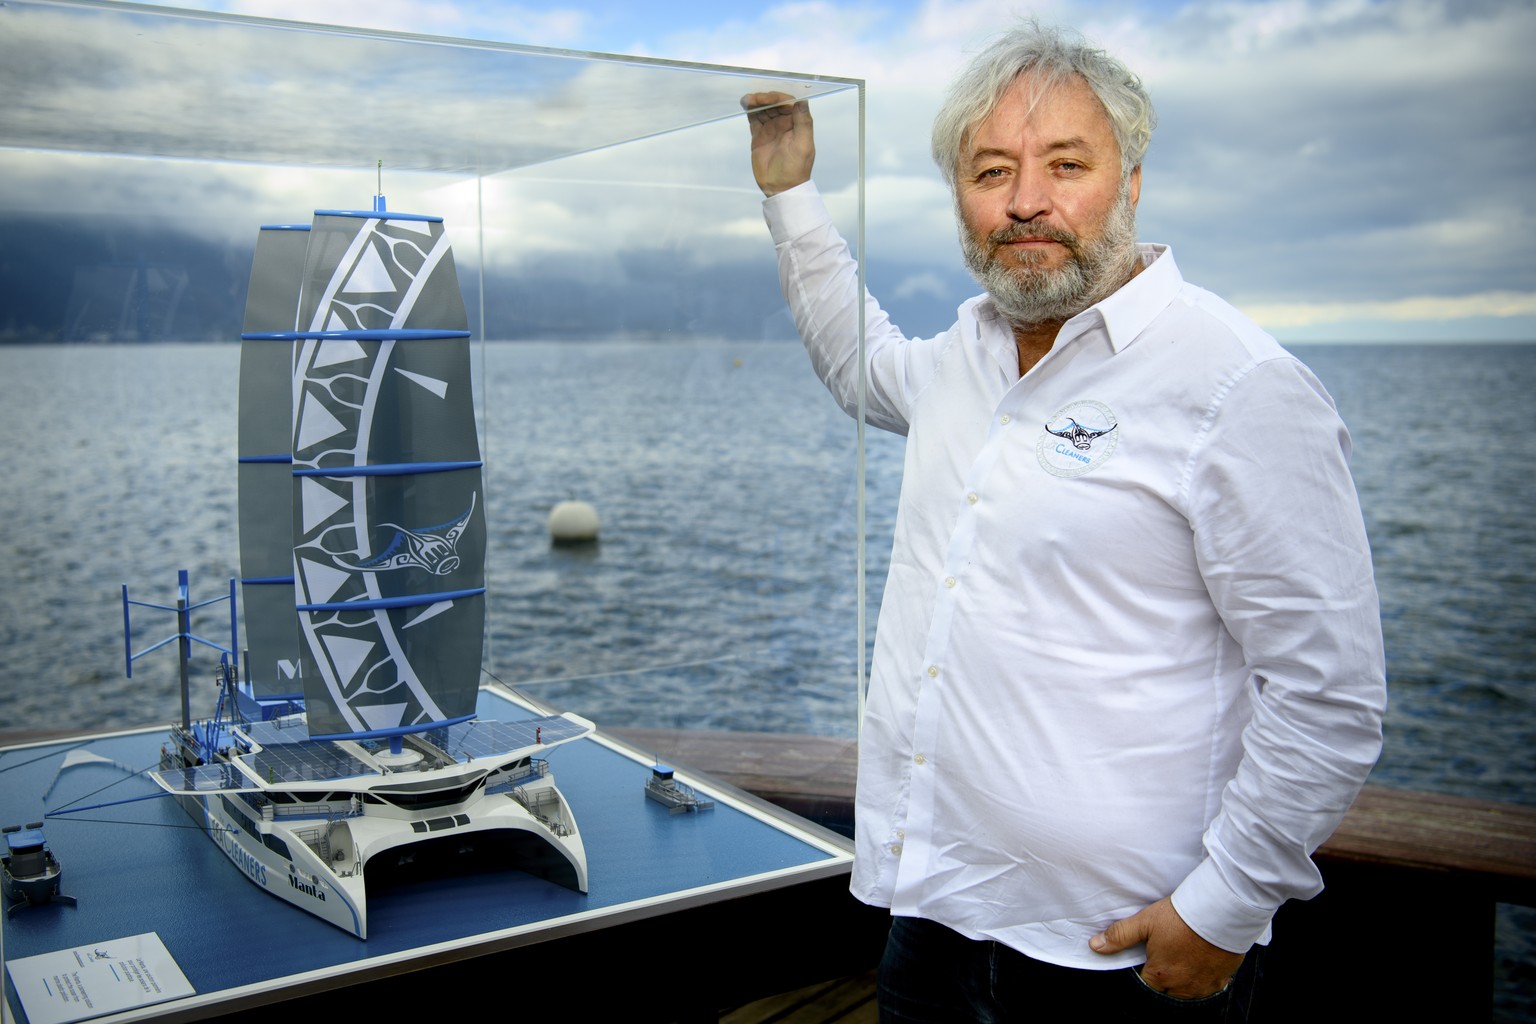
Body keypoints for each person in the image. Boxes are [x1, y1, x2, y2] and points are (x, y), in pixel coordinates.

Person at [742, 20, 1386, 1022]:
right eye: (992, 169)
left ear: (1129, 182)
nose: (1026, 201)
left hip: (1119, 956)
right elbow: (855, 362)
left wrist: (1225, 905)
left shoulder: (1237, 384)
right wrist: (789, 192)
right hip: (937, 918)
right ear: (961, 199)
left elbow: (1330, 692)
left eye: (1065, 164)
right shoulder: (966, 356)